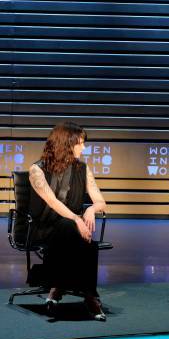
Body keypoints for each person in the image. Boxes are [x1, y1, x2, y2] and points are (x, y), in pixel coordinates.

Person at [29, 122, 107, 321]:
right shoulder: (37, 170)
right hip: (45, 226)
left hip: (72, 227)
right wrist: (76, 218)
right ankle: (90, 296)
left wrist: (91, 209)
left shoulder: (83, 168)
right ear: (66, 144)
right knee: (75, 230)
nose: (84, 147)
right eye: (80, 143)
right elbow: (52, 202)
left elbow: (101, 201)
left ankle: (57, 288)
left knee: (74, 230)